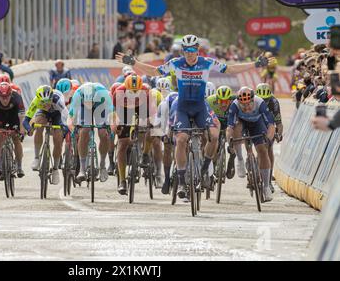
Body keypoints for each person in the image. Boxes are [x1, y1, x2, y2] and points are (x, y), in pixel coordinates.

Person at [115, 34, 275, 200]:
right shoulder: (176, 63)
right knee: (182, 139)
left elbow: (231, 69)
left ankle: (205, 168)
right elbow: (154, 71)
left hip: (200, 106)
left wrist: (255, 64)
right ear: (182, 51)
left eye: (193, 50)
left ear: (198, 50)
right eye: (186, 50)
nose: (190, 53)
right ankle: (182, 180)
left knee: (214, 135)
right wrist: (133, 62)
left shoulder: (206, 62)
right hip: (183, 107)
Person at [226, 87, 276, 202]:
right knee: (236, 127)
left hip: (257, 124)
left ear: (253, 100)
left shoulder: (260, 103)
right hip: (242, 124)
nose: (247, 108)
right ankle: (240, 160)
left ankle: (266, 187)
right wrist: (230, 143)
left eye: (249, 104)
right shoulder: (234, 105)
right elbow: (229, 128)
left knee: (263, 151)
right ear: (239, 103)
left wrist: (268, 139)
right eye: (243, 106)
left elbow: (271, 125)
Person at [111, 74, 157, 195]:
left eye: (136, 91)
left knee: (150, 129)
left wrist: (151, 122)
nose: (134, 93)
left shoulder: (146, 91)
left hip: (142, 108)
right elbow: (115, 112)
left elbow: (152, 111)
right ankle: (122, 181)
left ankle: (145, 153)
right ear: (125, 87)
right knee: (122, 144)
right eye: (131, 91)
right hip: (124, 110)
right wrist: (116, 125)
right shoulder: (119, 92)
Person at [67, 82, 113, 184]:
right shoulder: (78, 95)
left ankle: (102, 165)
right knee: (84, 131)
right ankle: (82, 169)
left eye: (90, 102)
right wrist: (73, 129)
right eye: (88, 102)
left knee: (103, 133)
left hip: (100, 105)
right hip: (83, 108)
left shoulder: (103, 93)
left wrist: (112, 130)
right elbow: (70, 117)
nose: (89, 105)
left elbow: (113, 115)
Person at [23, 85, 68, 185]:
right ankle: (36, 158)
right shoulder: (36, 101)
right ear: (39, 100)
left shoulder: (58, 100)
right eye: (43, 102)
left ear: (52, 98)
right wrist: (29, 129)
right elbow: (25, 120)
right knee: (38, 124)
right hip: (43, 113)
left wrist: (64, 128)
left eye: (48, 102)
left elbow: (66, 117)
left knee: (58, 138)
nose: (46, 104)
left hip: (57, 114)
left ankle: (55, 168)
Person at [0, 82, 26, 180]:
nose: (5, 99)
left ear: (11, 94)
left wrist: (22, 132)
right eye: (2, 97)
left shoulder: (17, 97)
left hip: (14, 114)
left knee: (16, 138)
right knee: (0, 136)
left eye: (7, 97)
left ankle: (19, 166)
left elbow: (22, 118)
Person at [256, 83, 283, 191]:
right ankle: (253, 169)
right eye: (262, 100)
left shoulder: (274, 102)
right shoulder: (252, 100)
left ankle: (268, 179)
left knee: (269, 148)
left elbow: (279, 123)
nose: (264, 102)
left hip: (269, 125)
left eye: (266, 100)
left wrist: (279, 134)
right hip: (256, 123)